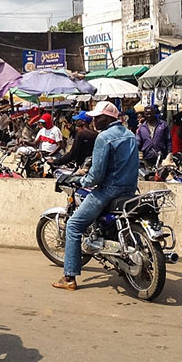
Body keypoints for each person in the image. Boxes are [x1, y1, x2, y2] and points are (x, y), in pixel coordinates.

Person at [52, 101, 139, 291]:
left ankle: (69, 278)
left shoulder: (104, 137)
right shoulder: (131, 135)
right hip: (130, 190)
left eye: (97, 117)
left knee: (74, 225)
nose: (94, 121)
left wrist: (81, 181)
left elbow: (97, 175)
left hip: (108, 190)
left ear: (107, 118)